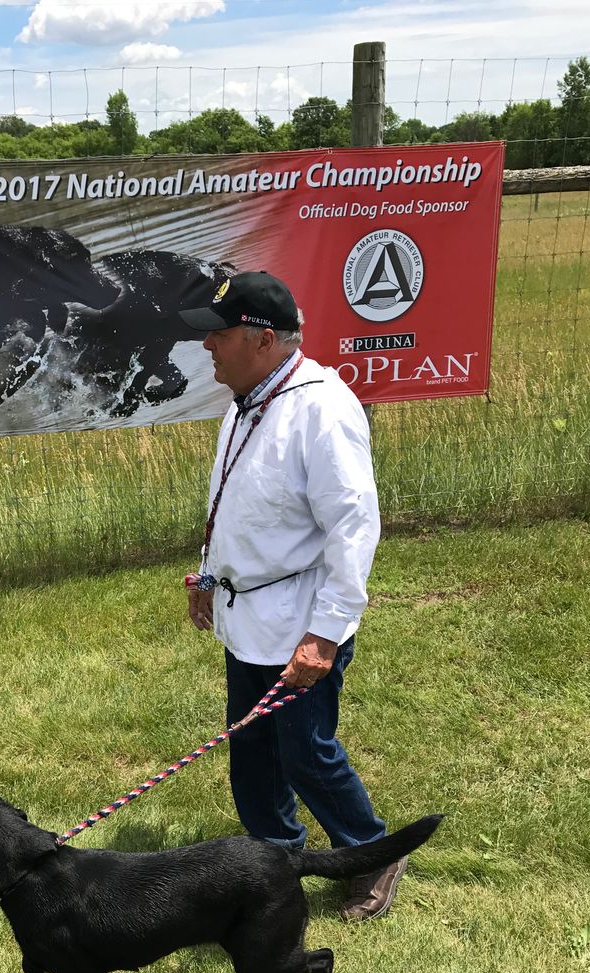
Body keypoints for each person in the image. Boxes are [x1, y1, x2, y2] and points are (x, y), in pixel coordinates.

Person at [178, 270, 405, 921]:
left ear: (264, 338)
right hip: (248, 615)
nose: (209, 347)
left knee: (303, 751)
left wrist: (326, 633)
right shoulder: (246, 401)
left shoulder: (321, 409)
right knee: (252, 752)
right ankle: (274, 859)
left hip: (301, 620)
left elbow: (355, 526)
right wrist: (208, 575)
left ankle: (372, 850)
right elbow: (234, 504)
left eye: (219, 335)